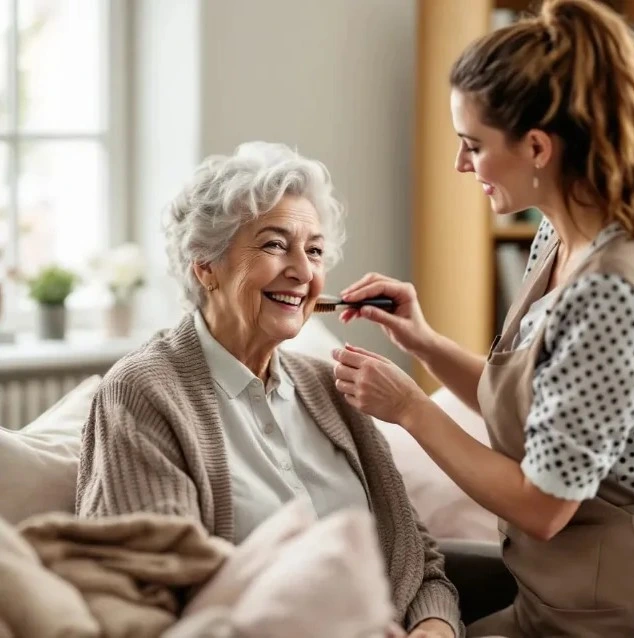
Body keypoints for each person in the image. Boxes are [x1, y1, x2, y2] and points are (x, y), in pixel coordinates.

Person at [75, 142, 462, 638]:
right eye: (275, 244)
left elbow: (417, 559)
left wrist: (435, 627)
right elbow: (149, 587)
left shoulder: (331, 387)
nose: (303, 271)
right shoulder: (143, 393)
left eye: (315, 250)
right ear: (205, 266)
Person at [332, 0, 634, 636]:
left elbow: (544, 505)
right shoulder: (555, 237)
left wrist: (412, 409)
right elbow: (528, 408)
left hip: (597, 610)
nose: (460, 167)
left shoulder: (611, 291)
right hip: (547, 582)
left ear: (536, 147)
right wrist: (426, 342)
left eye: (472, 145)